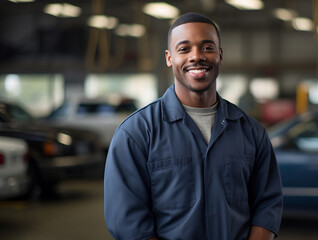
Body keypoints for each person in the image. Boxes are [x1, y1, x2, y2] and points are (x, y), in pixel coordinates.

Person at [104, 12, 283, 240]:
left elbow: (267, 207)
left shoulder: (252, 133)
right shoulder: (136, 134)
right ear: (169, 58)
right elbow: (128, 223)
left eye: (207, 47)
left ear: (220, 55)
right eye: (184, 49)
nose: (196, 56)